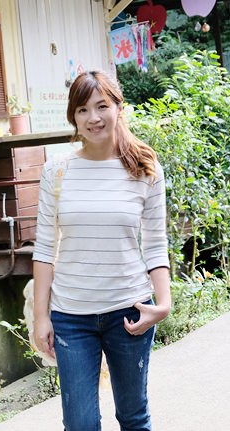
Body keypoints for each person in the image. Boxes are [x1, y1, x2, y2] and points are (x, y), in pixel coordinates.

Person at [32, 70, 171, 431]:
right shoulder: (56, 172)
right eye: (82, 110)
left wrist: (164, 302)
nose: (92, 118)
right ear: (73, 118)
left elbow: (155, 244)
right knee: (80, 425)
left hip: (129, 312)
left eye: (101, 106)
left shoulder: (145, 170)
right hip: (71, 316)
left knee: (133, 416)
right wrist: (41, 317)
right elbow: (45, 249)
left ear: (118, 108)